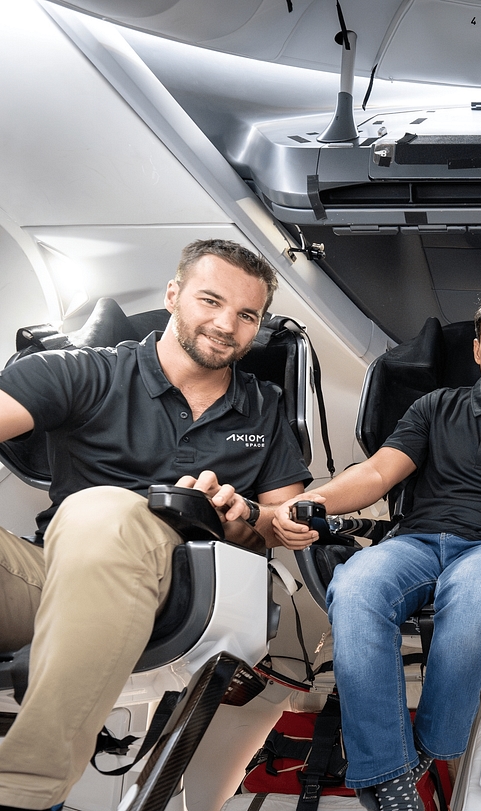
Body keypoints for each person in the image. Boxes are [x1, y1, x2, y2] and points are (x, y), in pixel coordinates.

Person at [0, 239, 313, 810]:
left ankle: (24, 793)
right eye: (210, 301)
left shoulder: (263, 407)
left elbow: (282, 523)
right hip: (57, 574)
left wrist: (241, 513)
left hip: (189, 588)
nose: (226, 325)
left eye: (247, 315)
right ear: (173, 295)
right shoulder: (82, 371)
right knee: (94, 516)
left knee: (104, 510)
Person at [272, 290, 481, 811]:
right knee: (355, 585)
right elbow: (377, 474)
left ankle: (428, 747)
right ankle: (392, 772)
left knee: (476, 595)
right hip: (415, 542)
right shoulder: (434, 407)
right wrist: (313, 500)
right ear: (477, 351)